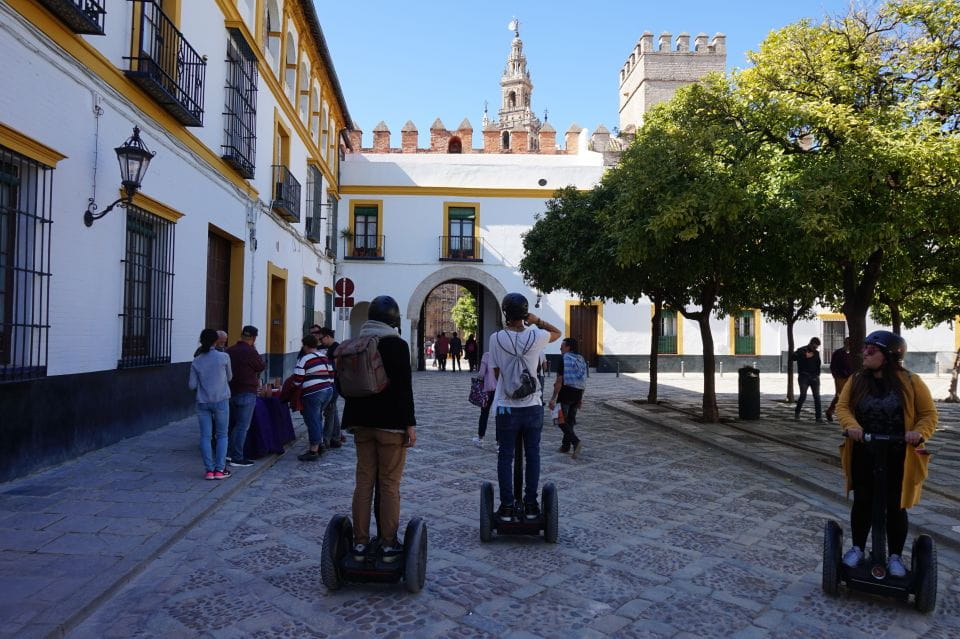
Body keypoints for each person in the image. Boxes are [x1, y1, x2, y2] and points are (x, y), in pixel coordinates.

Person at [836, 331, 936, 577]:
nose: (865, 353)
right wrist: (852, 426)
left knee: (895, 506)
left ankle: (895, 556)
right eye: (865, 348)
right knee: (863, 502)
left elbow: (928, 414)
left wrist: (918, 432)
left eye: (872, 350)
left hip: (898, 453)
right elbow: (843, 406)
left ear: (890, 356)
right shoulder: (857, 379)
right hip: (864, 450)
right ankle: (858, 548)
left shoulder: (912, 382)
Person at [341, 295, 416, 563]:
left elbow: (342, 386)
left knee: (363, 483)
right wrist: (410, 424)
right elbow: (405, 389)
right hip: (391, 427)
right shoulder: (397, 345)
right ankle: (387, 543)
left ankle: (359, 544)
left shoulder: (354, 344)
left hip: (360, 425)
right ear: (394, 319)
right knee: (389, 484)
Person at [490, 293, 561, 521]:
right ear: (525, 313)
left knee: (505, 456)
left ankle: (508, 506)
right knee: (533, 455)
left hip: (506, 407)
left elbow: (496, 372)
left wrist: (510, 384)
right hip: (532, 406)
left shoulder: (496, 338)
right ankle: (531, 504)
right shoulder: (536, 336)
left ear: (505, 313)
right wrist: (536, 320)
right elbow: (558, 333)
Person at [189, 329, 233, 480]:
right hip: (221, 400)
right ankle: (220, 470)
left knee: (205, 437)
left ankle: (209, 470)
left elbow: (192, 385)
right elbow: (230, 377)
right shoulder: (224, 357)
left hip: (203, 401)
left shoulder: (197, 361)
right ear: (216, 341)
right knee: (222, 435)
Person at [226, 325, 265, 467]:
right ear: (254, 338)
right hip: (247, 391)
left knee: (233, 425)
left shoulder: (230, 350)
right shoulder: (250, 351)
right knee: (242, 426)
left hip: (231, 391)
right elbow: (260, 366)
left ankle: (229, 454)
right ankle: (237, 457)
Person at [294, 334, 335, 461]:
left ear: (306, 346)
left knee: (312, 420)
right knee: (317, 418)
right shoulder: (324, 357)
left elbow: (297, 380)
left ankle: (313, 450)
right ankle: (320, 444)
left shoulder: (304, 359)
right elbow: (332, 374)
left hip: (313, 393)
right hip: (328, 390)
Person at [549, 338, 588, 458]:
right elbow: (583, 379)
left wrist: (553, 398)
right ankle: (565, 446)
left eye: (563, 346)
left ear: (569, 347)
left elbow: (559, 381)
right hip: (577, 393)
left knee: (560, 420)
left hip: (566, 393)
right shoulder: (581, 359)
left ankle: (576, 442)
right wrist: (581, 398)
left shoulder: (564, 359)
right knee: (570, 421)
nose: (560, 348)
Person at [317, 326, 344, 448]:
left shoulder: (336, 348)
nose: (320, 341)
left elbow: (337, 367)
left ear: (328, 337)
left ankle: (326, 439)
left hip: (333, 383)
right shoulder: (330, 348)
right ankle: (336, 438)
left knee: (329, 411)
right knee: (333, 410)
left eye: (321, 339)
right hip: (331, 382)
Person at [794, 336, 823, 423]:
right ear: (810, 343)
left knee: (817, 397)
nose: (815, 348)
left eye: (817, 347)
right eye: (814, 346)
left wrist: (817, 375)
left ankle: (818, 417)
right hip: (804, 377)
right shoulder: (801, 350)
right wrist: (804, 356)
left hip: (814, 377)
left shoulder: (816, 353)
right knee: (803, 395)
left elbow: (818, 364)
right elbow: (792, 358)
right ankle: (797, 412)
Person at [472, 350, 497, 448]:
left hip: (488, 389)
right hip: (500, 391)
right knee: (499, 416)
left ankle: (480, 438)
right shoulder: (504, 354)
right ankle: (499, 443)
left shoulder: (487, 355)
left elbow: (481, 374)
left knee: (484, 414)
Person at [826, 337, 854, 423]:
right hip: (841, 378)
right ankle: (832, 411)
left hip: (850, 377)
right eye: (847, 343)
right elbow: (833, 366)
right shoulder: (838, 353)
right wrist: (836, 376)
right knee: (841, 395)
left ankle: (831, 411)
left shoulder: (852, 354)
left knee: (846, 395)